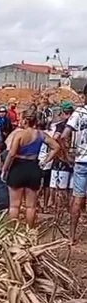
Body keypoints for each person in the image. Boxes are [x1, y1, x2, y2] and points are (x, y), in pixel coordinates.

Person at [1, 109, 60, 228]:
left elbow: (11, 154)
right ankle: (30, 231)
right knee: (31, 206)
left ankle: (13, 232)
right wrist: (45, 161)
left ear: (25, 121)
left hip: (18, 167)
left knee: (14, 205)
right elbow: (56, 147)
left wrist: (4, 169)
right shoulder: (41, 134)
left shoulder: (19, 134)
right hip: (33, 167)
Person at [61, 102, 87, 244]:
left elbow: (63, 136)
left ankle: (71, 235)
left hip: (81, 160)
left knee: (77, 198)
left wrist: (67, 156)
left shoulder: (79, 113)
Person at [50, 102, 75, 202]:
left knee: (60, 188)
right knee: (73, 190)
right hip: (77, 158)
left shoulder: (62, 125)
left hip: (62, 159)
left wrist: (64, 153)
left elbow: (56, 138)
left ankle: (59, 212)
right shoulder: (79, 124)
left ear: (63, 113)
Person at [37, 115, 55, 213]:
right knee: (46, 185)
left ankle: (37, 204)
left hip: (39, 160)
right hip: (48, 161)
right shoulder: (50, 134)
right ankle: (45, 206)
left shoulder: (37, 134)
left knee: (38, 184)